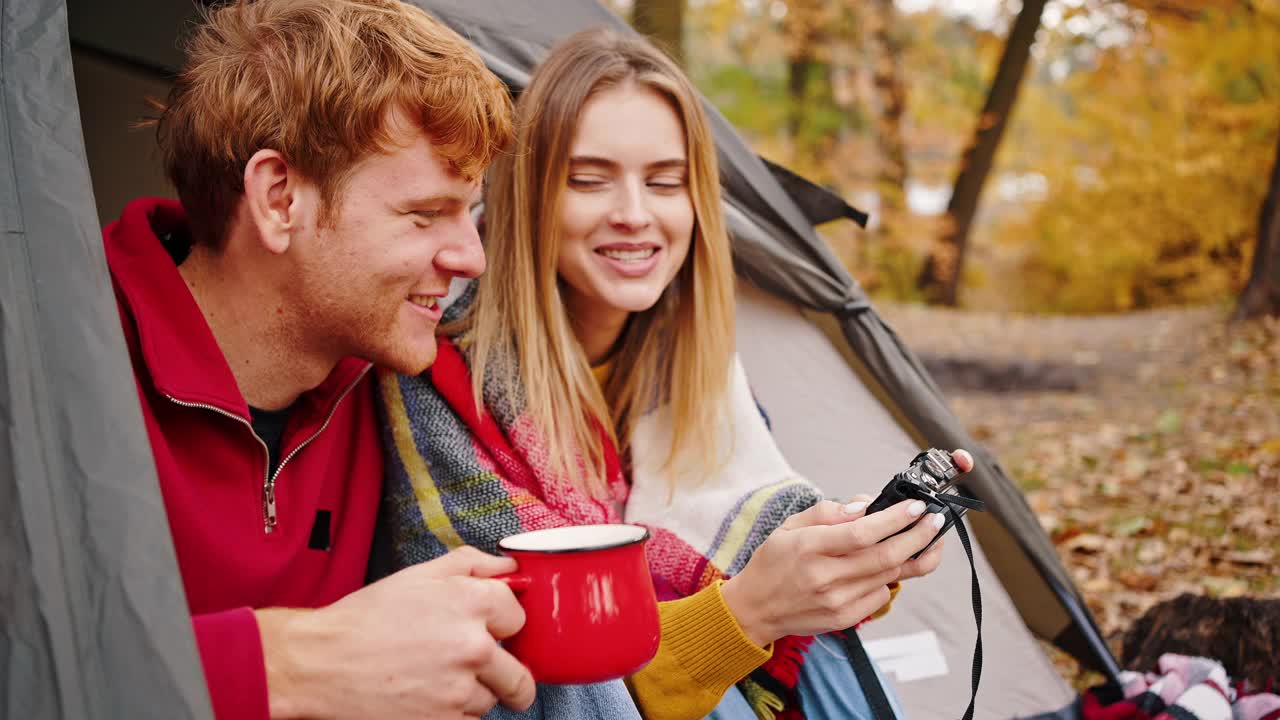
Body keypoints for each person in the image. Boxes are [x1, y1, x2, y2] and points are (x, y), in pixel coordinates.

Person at [377, 28, 972, 720]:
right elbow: (545, 696)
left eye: (665, 182)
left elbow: (756, 553)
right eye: (590, 180)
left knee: (831, 652)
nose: (635, 215)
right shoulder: (439, 387)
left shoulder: (703, 381)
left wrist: (846, 564)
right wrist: (746, 613)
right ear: (529, 196)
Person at [106, 1, 540, 717]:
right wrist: (291, 663)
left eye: (472, 211)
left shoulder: (394, 384)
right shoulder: (47, 360)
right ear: (280, 199)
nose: (471, 257)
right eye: (425, 214)